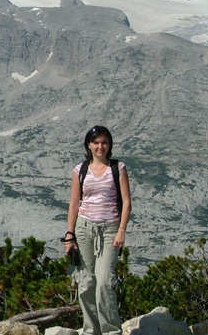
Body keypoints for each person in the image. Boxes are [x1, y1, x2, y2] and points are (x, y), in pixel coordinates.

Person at [63, 125, 132, 335]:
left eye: (104, 142)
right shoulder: (80, 170)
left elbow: (127, 202)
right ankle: (91, 330)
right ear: (89, 145)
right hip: (84, 229)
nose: (100, 146)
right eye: (96, 142)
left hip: (110, 229)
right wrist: (69, 234)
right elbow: (74, 203)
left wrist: (121, 230)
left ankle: (111, 331)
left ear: (109, 145)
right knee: (85, 283)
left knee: (104, 282)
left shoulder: (117, 168)